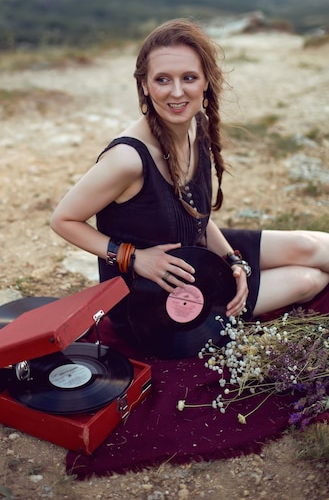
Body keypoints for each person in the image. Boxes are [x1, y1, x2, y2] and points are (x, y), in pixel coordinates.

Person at [50, 18, 329, 353]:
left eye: (189, 78)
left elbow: (194, 213)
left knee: (313, 245)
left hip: (197, 252)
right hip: (151, 298)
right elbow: (63, 220)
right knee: (308, 280)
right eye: (162, 79)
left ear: (207, 82)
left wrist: (233, 260)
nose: (177, 92)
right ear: (144, 85)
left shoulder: (195, 124)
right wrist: (134, 257)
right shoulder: (128, 159)